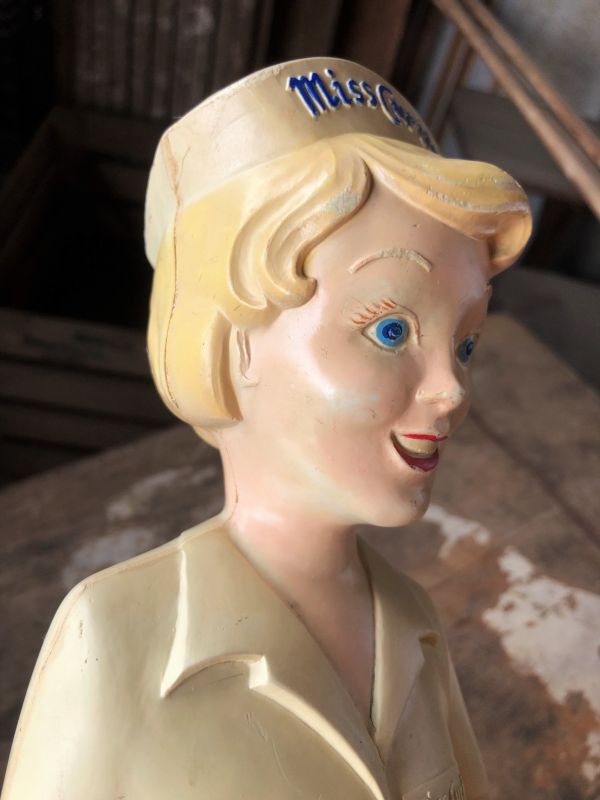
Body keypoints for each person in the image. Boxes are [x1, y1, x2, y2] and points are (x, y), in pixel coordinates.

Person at [2, 58, 531, 800]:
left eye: (466, 344)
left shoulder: (413, 621)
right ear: (233, 343)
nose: (451, 389)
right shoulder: (116, 638)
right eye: (389, 328)